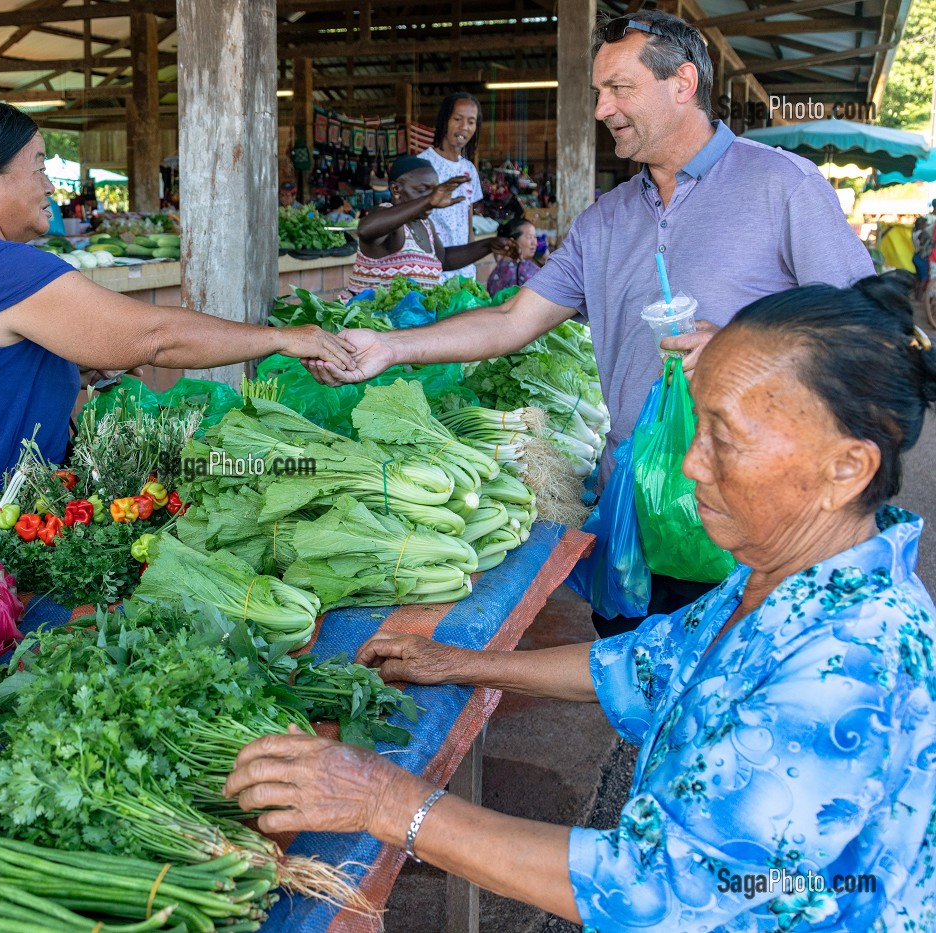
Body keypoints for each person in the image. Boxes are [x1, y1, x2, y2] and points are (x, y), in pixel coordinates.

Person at [227, 273, 936, 932]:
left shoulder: (855, 659)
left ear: (847, 467)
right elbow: (645, 662)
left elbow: (662, 884)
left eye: (726, 439)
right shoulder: (790, 581)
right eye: (699, 427)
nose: (691, 462)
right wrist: (461, 662)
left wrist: (387, 799)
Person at [308, 9, 874, 636]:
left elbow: (862, 327)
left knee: (739, 697)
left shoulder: (782, 185)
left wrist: (748, 348)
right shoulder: (606, 220)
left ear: (682, 83)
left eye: (619, 89)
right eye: (599, 92)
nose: (602, 109)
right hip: (638, 510)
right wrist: (390, 346)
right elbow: (512, 319)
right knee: (635, 679)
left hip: (756, 512)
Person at [0, 96, 353, 576]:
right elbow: (155, 337)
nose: (51, 185)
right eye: (38, 168)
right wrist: (282, 338)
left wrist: (65, 372)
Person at [345, 156, 508, 296]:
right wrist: (427, 202)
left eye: (435, 191)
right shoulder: (386, 215)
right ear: (396, 189)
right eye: (423, 190)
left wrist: (489, 245)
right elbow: (365, 230)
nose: (433, 198)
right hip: (369, 326)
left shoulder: (424, 223)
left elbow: (443, 260)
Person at [418, 93, 496, 282]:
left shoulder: (469, 170)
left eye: (471, 121)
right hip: (429, 271)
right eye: (457, 119)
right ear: (445, 120)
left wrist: (471, 268)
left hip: (463, 272)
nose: (464, 128)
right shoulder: (423, 165)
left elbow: (467, 222)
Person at [485, 217, 540, 293]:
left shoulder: (497, 271)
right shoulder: (525, 271)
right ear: (512, 242)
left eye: (535, 237)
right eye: (529, 237)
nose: (535, 243)